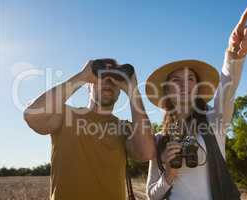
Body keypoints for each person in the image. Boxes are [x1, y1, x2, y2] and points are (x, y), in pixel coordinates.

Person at [145, 2, 247, 200]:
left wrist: (233, 54)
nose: (184, 85)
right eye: (176, 80)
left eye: (190, 79)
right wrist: (169, 175)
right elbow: (151, 195)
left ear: (197, 87)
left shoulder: (214, 121)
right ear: (167, 91)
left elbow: (227, 90)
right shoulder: (159, 139)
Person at [23, 58, 155, 200]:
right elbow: (33, 116)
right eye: (101, 77)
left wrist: (132, 90)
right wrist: (82, 76)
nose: (108, 82)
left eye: (115, 78)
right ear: (88, 85)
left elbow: (146, 153)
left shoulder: (125, 127)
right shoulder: (65, 115)